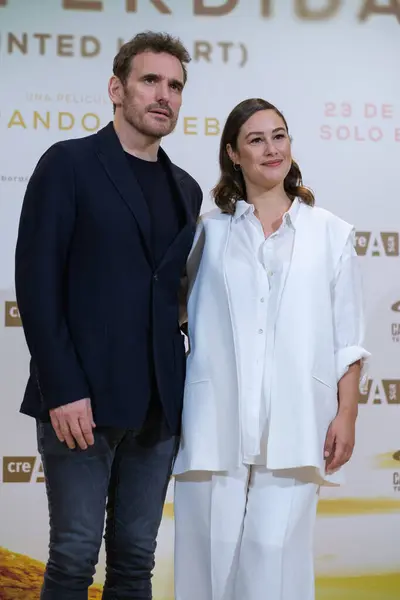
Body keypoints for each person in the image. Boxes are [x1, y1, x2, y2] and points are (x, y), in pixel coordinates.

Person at [15, 31, 202, 600]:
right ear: (116, 88)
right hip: (80, 403)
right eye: (150, 80)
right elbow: (37, 284)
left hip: (156, 408)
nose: (163, 95)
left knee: (135, 563)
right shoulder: (68, 163)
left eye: (175, 85)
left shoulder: (187, 190)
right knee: (72, 558)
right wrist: (62, 388)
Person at [173, 98, 370, 600]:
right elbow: (171, 313)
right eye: (256, 139)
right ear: (233, 154)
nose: (271, 148)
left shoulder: (331, 232)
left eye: (278, 135)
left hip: (297, 421)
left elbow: (348, 337)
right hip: (213, 420)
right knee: (206, 562)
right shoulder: (207, 233)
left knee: (273, 559)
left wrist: (346, 414)